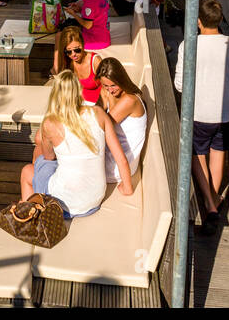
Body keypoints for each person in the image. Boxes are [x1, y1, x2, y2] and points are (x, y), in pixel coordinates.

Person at [174, 0, 229, 215]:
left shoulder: (188, 45)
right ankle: (214, 197)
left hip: (198, 113)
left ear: (198, 21)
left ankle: (209, 203)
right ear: (219, 20)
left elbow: (180, 85)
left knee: (197, 155)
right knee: (218, 154)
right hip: (226, 114)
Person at [19, 72, 133, 218]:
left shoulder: (51, 123)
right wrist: (127, 188)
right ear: (79, 91)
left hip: (61, 204)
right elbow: (121, 158)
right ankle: (33, 204)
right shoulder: (99, 113)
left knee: (29, 170)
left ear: (55, 93)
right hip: (93, 200)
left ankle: (28, 213)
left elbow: (49, 157)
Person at [97, 58, 146, 184]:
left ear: (121, 79)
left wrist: (108, 98)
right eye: (105, 85)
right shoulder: (110, 92)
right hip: (111, 152)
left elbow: (99, 126)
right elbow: (96, 112)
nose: (110, 90)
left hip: (121, 165)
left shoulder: (130, 100)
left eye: (113, 85)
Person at [54, 0, 110, 70]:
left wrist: (73, 13)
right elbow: (94, 13)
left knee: (60, 36)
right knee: (68, 29)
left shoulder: (91, 1)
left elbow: (88, 25)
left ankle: (57, 68)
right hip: (103, 34)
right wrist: (78, 8)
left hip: (96, 39)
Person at [58, 25, 102, 104]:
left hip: (95, 104)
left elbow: (107, 89)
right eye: (68, 51)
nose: (73, 54)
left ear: (83, 43)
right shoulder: (67, 62)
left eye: (77, 50)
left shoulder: (95, 61)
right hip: (76, 104)